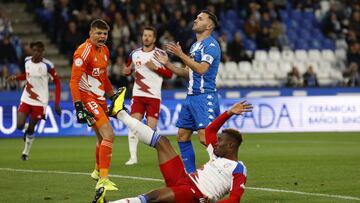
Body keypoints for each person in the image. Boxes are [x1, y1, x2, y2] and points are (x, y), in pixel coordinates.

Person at [92, 90, 252, 203]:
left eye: (220, 141)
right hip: (183, 179)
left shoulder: (238, 169)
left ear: (230, 146)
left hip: (195, 195)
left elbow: (234, 199)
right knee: (163, 142)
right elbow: (210, 130)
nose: (215, 143)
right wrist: (229, 112)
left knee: (154, 197)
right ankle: (119, 113)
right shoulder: (215, 154)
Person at [154, 10, 221, 174]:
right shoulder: (194, 46)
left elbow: (202, 69)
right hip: (191, 97)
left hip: (205, 97)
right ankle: (191, 175)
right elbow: (187, 72)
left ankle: (223, 168)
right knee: (182, 136)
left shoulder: (211, 46)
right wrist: (168, 64)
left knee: (205, 138)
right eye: (197, 18)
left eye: (200, 19)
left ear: (209, 25)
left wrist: (180, 54)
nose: (196, 20)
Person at [69, 19, 123, 191]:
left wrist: (113, 96)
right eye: (98, 33)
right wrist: (78, 106)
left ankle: (97, 171)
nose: (102, 37)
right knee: (109, 135)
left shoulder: (105, 50)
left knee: (101, 138)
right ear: (90, 33)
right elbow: (73, 81)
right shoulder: (83, 52)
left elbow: (104, 78)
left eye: (105, 34)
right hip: (87, 98)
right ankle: (103, 179)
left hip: (99, 98)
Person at [123, 26, 173, 165]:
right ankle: (133, 157)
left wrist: (156, 68)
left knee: (150, 131)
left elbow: (170, 74)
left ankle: (162, 149)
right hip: (138, 95)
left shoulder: (161, 54)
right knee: (133, 124)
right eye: (144, 35)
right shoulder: (134, 54)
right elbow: (127, 70)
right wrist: (126, 72)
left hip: (154, 96)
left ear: (154, 38)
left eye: (149, 36)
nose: (146, 38)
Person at [6, 41, 61, 161]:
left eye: (39, 51)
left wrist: (56, 103)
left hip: (40, 101)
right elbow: (27, 75)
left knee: (31, 128)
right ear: (32, 50)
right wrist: (16, 77)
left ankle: (25, 153)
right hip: (26, 97)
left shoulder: (48, 65)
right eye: (34, 50)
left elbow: (57, 83)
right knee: (19, 125)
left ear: (42, 52)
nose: (36, 53)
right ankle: (27, 130)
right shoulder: (27, 61)